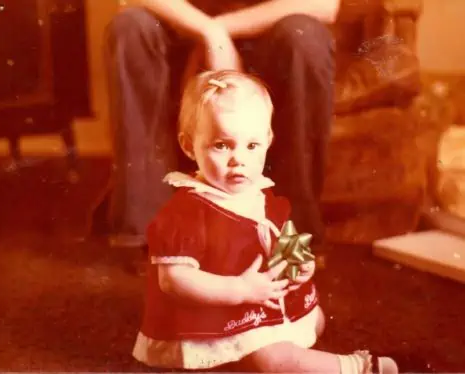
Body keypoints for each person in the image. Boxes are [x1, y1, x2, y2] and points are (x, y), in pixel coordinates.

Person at [132, 70, 398, 374]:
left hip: (262, 295)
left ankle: (287, 345)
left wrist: (298, 262)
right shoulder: (186, 212)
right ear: (189, 145)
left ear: (268, 141)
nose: (238, 160)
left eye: (251, 146)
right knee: (270, 359)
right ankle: (355, 367)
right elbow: (174, 279)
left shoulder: (259, 192)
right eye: (222, 145)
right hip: (219, 311)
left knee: (317, 318)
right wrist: (240, 289)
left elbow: (283, 231)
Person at [94, 0, 337, 249]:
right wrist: (207, 32)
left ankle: (291, 231)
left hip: (267, 34)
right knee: (130, 27)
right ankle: (149, 230)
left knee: (305, 36)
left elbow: (324, 4)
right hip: (178, 32)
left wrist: (222, 29)